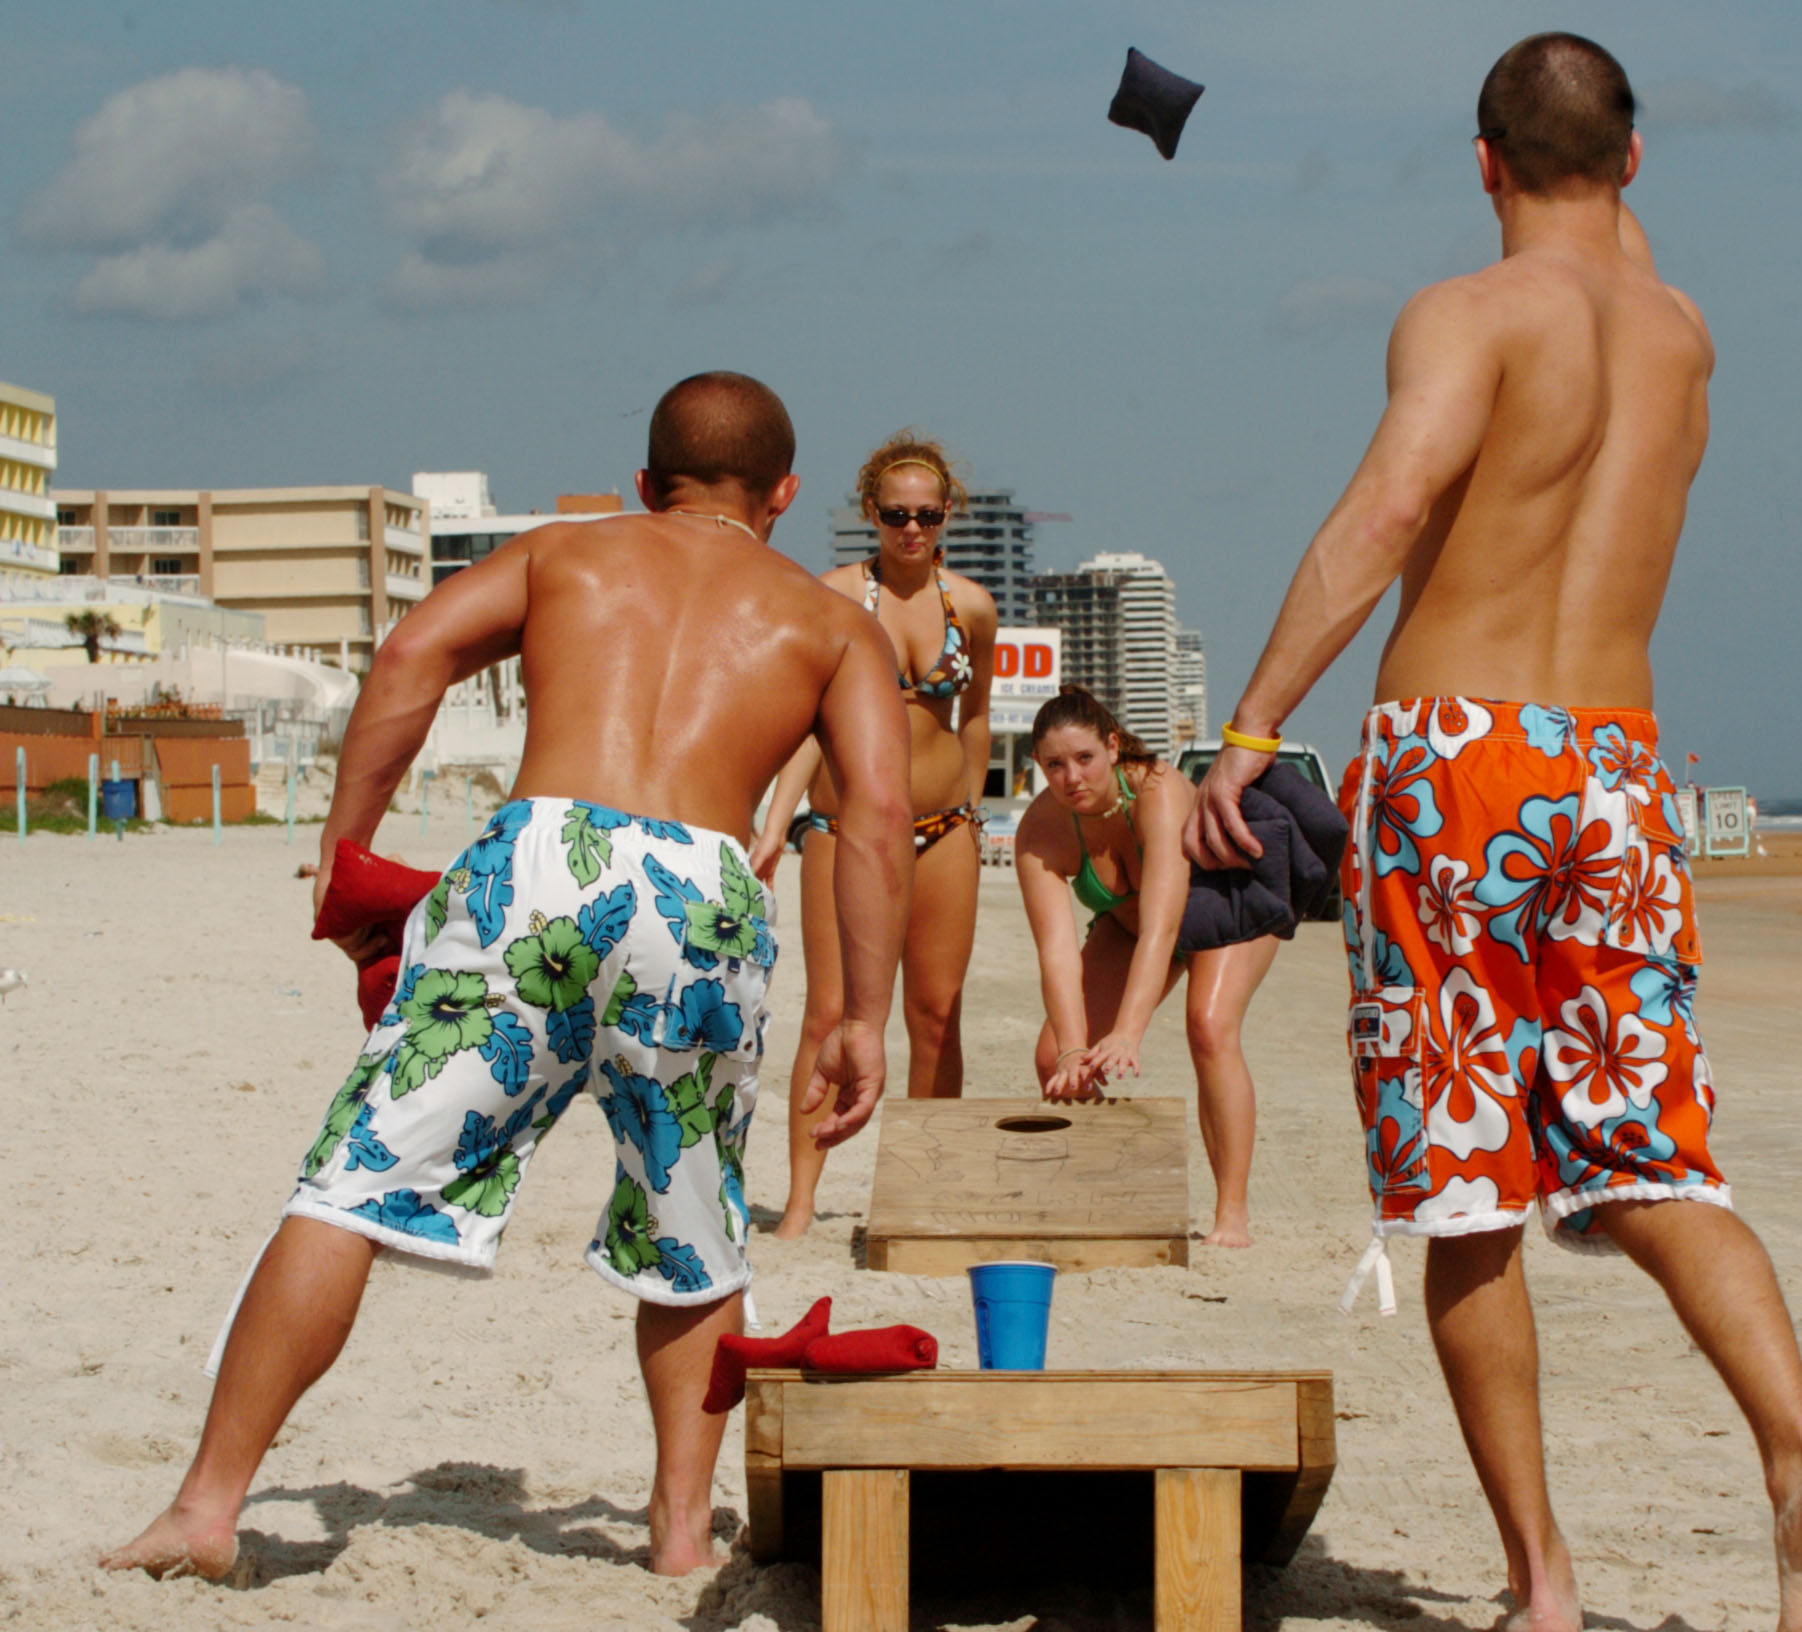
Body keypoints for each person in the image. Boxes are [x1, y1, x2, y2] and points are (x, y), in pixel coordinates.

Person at [1183, 35, 1802, 1630]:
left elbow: (1387, 511)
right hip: (1614, 770)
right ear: (1634, 167)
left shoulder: (1465, 316)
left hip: (1457, 761)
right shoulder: (1681, 337)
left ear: (1477, 163)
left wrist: (1253, 725)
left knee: (1463, 1186)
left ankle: (1540, 1584)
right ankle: (1801, 1455)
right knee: (1649, 1153)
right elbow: (1612, 239)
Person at [103, 373, 915, 1581]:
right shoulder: (830, 620)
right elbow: (881, 815)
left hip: (534, 864)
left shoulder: (559, 558)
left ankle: (209, 1508)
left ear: (645, 483)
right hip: (699, 893)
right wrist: (861, 1016)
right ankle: (681, 1539)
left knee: (351, 1185)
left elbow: (410, 655)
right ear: (785, 496)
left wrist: (350, 842)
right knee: (693, 1225)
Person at [751, 433, 996, 1239]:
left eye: (927, 516)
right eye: (896, 516)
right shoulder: (832, 597)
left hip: (944, 828)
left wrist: (977, 811)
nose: (913, 530)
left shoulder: (974, 606)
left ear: (948, 515)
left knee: (935, 1015)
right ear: (870, 514)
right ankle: (799, 1203)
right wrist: (778, 816)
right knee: (828, 1016)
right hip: (846, 823)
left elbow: (976, 717)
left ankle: (922, 1197)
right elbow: (808, 724)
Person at [1014, 686, 1285, 1247]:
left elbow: (1166, 924)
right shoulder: (1040, 832)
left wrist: (1127, 1033)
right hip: (1129, 926)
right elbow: (1055, 950)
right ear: (1039, 767)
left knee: (1209, 1027)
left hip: (1223, 907)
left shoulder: (1157, 790)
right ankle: (1105, 1198)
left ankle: (1231, 1215)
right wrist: (1072, 1046)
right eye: (1055, 765)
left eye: (1085, 758)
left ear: (1113, 747)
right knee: (1054, 1058)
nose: (1072, 777)